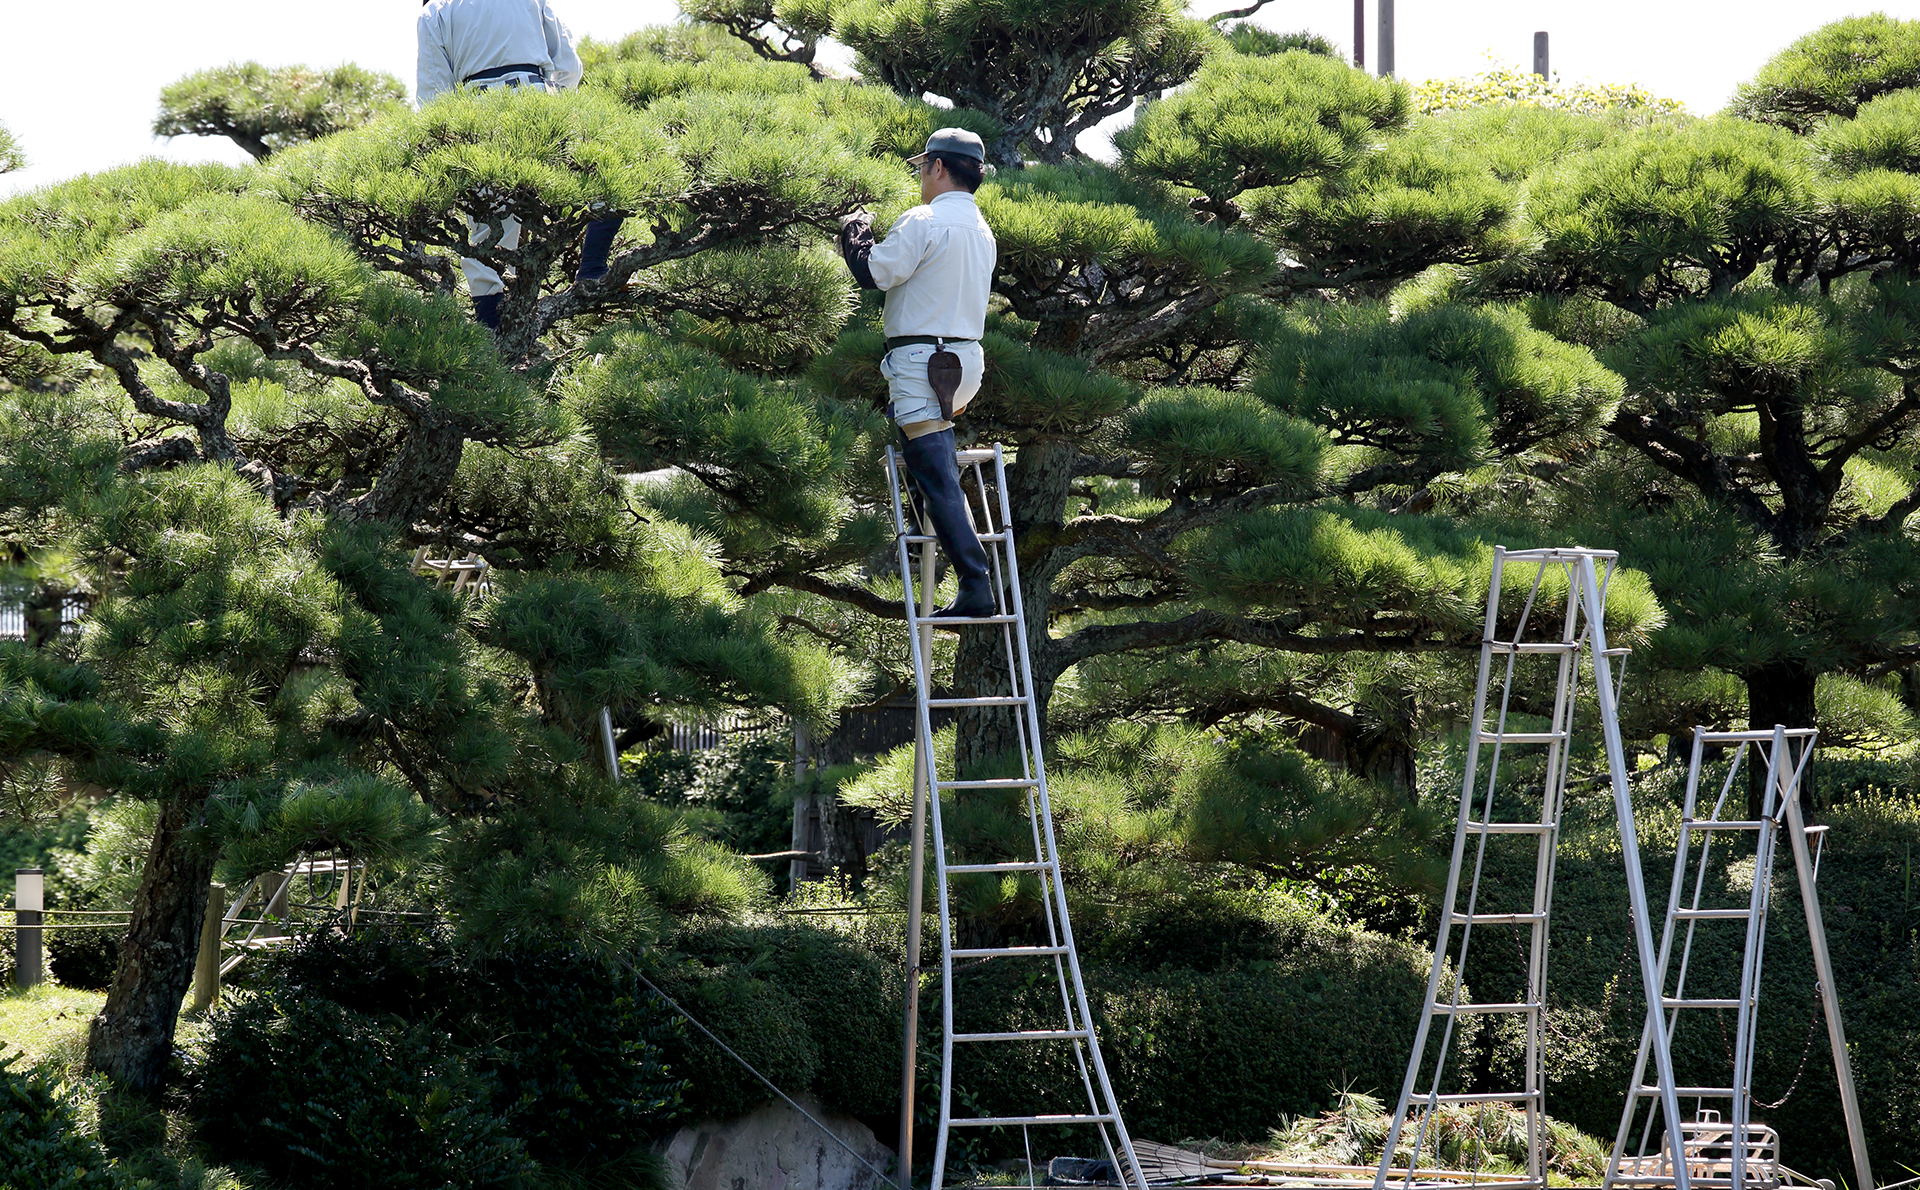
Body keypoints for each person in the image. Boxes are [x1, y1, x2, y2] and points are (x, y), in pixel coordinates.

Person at [838, 128, 998, 620]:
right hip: (964, 362)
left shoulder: (924, 219)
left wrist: (855, 230)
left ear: (937, 166)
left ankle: (976, 582)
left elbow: (874, 274)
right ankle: (971, 577)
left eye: (921, 167)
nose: (919, 177)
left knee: (936, 475)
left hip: (923, 364)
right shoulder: (982, 228)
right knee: (937, 468)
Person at [417, 0, 623, 330]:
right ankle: (593, 268)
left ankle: (494, 336)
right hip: (537, 100)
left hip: (478, 114)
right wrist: (556, 106)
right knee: (608, 180)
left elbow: (433, 94)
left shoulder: (436, 10)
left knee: (486, 234)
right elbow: (568, 64)